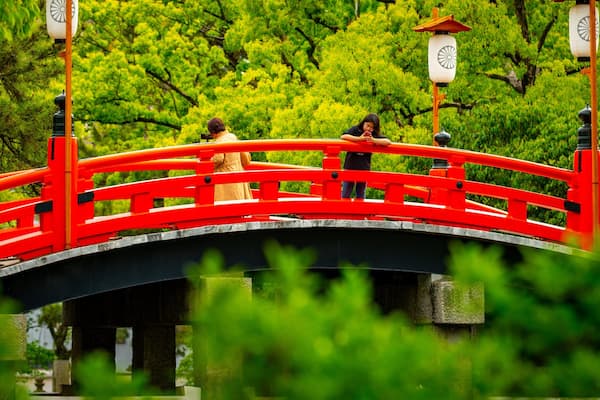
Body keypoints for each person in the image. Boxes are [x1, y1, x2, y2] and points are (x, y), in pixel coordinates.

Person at [340, 113, 391, 199]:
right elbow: (343, 136)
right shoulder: (356, 129)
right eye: (368, 125)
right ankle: (343, 211)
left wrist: (373, 140)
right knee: (346, 192)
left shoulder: (373, 134)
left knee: (361, 193)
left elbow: (388, 142)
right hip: (350, 166)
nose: (369, 129)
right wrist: (360, 139)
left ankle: (359, 212)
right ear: (363, 123)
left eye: (372, 127)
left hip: (364, 168)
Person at [207, 117, 253, 201]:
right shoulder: (233, 137)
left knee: (226, 209)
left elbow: (218, 159)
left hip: (226, 184)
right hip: (239, 180)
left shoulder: (219, 142)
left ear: (213, 132)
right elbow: (246, 159)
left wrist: (207, 161)